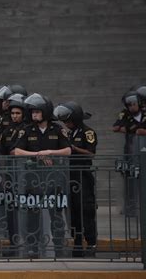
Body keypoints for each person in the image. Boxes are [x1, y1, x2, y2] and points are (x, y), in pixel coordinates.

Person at [12, 93, 71, 257]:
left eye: (37, 112)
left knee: (56, 214)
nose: (34, 115)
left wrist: (50, 152)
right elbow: (17, 151)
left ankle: (59, 245)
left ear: (45, 112)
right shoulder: (27, 130)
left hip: (54, 178)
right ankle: (32, 246)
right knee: (32, 213)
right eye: (32, 112)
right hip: (33, 178)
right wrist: (37, 154)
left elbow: (68, 150)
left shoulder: (57, 129)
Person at [54, 101, 97, 257]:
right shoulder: (68, 133)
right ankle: (77, 243)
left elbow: (91, 153)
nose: (66, 124)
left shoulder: (87, 132)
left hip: (83, 176)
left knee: (86, 210)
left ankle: (91, 243)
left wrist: (73, 149)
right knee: (73, 212)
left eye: (68, 120)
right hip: (69, 176)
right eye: (64, 121)